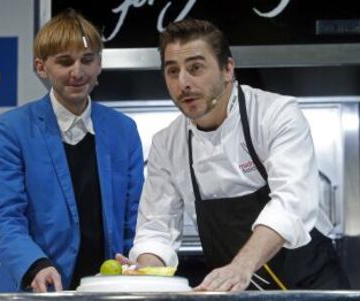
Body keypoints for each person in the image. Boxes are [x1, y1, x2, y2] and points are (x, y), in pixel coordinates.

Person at [122, 19, 350, 291]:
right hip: (236, 289)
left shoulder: (275, 115)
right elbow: (156, 229)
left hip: (310, 284)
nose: (183, 82)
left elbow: (292, 203)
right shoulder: (167, 144)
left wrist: (242, 266)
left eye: (195, 68)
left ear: (228, 69)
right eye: (172, 71)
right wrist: (147, 269)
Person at [0, 9, 144, 293]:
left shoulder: (124, 130)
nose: (78, 72)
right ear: (41, 67)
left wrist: (139, 259)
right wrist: (34, 265)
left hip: (108, 289)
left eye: (87, 60)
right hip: (36, 290)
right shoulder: (13, 128)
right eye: (65, 62)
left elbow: (137, 216)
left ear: (99, 64)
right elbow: (3, 217)